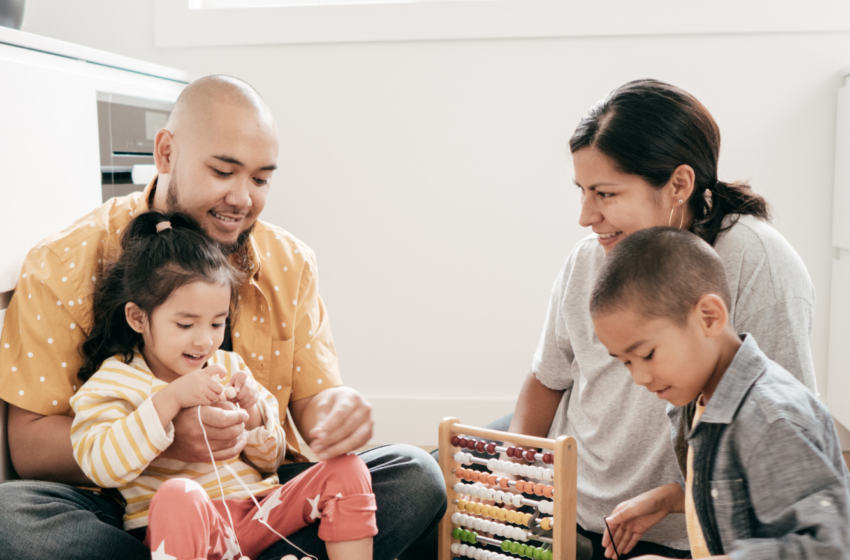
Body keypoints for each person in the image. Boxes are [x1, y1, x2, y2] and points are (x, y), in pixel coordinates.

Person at [0, 75, 444, 560]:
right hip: (126, 509)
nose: (242, 198)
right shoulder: (63, 261)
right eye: (223, 172)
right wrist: (167, 439)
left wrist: (336, 413)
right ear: (166, 153)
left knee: (416, 473)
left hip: (259, 502)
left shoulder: (291, 262)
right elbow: (28, 448)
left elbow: (309, 406)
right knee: (14, 517)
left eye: (260, 179)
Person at [503, 79, 818, 558]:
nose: (586, 216)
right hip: (575, 509)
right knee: (444, 479)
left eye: (605, 194)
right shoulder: (590, 257)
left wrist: (679, 499)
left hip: (678, 534)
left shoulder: (757, 264)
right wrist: (516, 467)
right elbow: (549, 376)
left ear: (678, 185)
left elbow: (787, 443)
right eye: (583, 191)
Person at [71, 211, 377, 560]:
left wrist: (254, 418)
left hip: (261, 513)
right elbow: (100, 465)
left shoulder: (229, 366)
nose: (204, 341)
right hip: (185, 529)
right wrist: (169, 400)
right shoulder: (115, 380)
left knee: (348, 468)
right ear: (138, 318)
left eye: (217, 324)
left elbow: (271, 461)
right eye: (185, 325)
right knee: (177, 494)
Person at [589, 227, 850, 560]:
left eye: (648, 354)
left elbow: (828, 548)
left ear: (709, 317)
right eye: (626, 362)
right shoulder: (696, 396)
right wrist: (675, 498)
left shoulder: (773, 420)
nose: (639, 377)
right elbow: (746, 488)